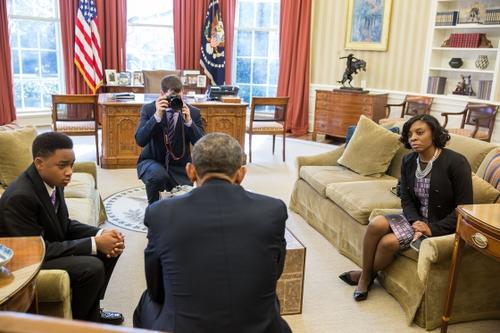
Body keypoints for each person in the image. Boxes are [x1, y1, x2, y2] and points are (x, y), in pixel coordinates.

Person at [133, 133, 292, 333]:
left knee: (145, 303)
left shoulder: (160, 213)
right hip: (262, 328)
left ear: (190, 171)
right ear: (241, 174)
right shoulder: (273, 210)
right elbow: (274, 273)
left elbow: (155, 289)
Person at [338, 114, 473, 301]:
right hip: (415, 218)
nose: (413, 138)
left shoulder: (457, 162)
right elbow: (407, 199)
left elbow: (465, 208)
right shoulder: (409, 160)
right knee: (376, 223)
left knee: (388, 243)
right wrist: (415, 220)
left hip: (440, 224)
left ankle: (364, 277)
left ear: (434, 133)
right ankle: (366, 276)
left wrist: (431, 228)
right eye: (410, 134)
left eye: (420, 132)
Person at [0, 132, 125, 324]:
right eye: (62, 165)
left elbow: (64, 224)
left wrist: (101, 234)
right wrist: (94, 243)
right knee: (91, 267)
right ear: (39, 163)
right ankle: (81, 323)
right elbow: (37, 251)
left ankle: (93, 312)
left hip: (45, 247)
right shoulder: (20, 197)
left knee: (111, 247)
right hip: (27, 262)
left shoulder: (52, 180)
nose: (69, 172)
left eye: (71, 165)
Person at [135, 75, 205, 205]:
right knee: (158, 176)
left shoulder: (193, 112)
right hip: (153, 160)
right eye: (170, 97)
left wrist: (189, 122)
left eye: (178, 97)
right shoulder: (150, 109)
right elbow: (140, 140)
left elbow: (202, 144)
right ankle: (154, 210)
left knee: (182, 206)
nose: (174, 101)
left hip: (180, 164)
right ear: (162, 94)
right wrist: (157, 116)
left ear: (183, 92)